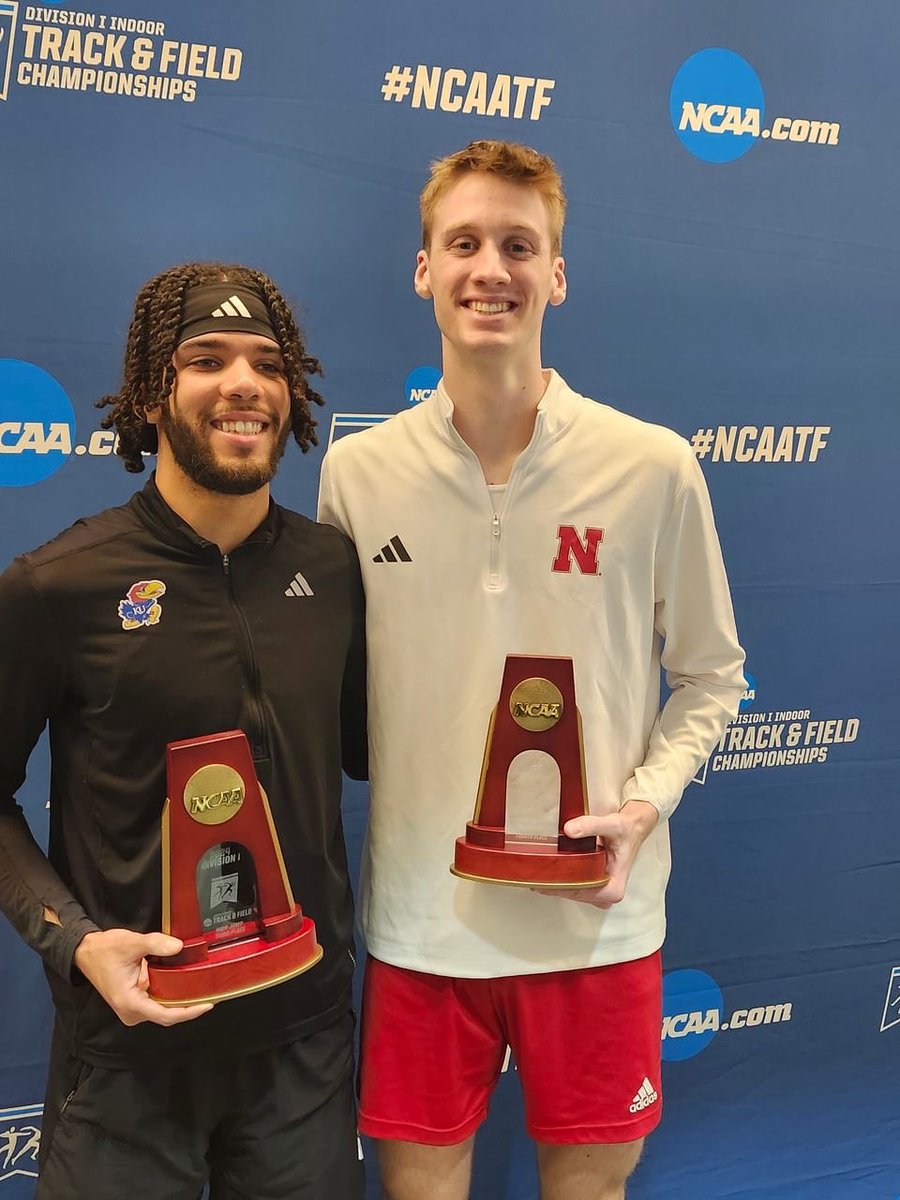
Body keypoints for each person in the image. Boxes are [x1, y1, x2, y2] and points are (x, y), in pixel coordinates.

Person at [318, 141, 746, 1200]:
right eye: (463, 243)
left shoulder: (652, 466)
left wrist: (644, 805)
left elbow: (711, 676)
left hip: (597, 922)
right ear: (424, 269)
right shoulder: (358, 475)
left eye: (520, 245)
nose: (489, 270)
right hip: (422, 925)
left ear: (558, 273)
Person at [0, 262, 366, 1199]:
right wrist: (74, 940)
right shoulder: (60, 584)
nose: (243, 383)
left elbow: (374, 753)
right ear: (155, 396)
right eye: (206, 359)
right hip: (131, 1053)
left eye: (268, 364)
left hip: (304, 1046)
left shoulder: (333, 571)